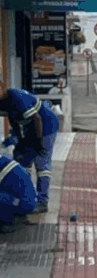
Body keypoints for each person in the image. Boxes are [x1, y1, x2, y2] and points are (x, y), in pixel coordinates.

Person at [0, 85, 60, 214]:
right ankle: (27, 199)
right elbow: (13, 120)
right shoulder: (4, 102)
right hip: (30, 128)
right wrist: (21, 141)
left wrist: (37, 142)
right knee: (24, 162)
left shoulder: (17, 98)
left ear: (2, 87)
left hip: (46, 125)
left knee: (42, 163)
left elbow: (37, 119)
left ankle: (42, 202)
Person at [0, 151, 37, 229]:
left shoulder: (3, 165)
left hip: (24, 203)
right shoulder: (5, 160)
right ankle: (18, 215)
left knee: (2, 197)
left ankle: (7, 221)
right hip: (28, 200)